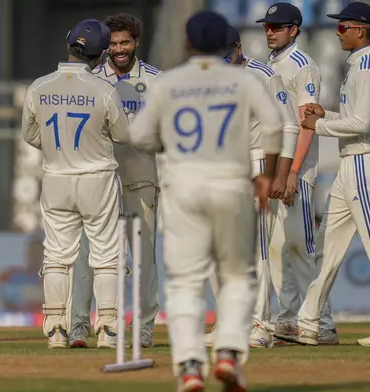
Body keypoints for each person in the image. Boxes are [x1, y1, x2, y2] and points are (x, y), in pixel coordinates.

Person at [130, 10, 284, 392]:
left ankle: (190, 366)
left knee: (185, 283)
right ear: (224, 46)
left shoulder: (169, 83)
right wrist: (267, 173)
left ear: (187, 44)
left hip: (183, 186)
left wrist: (169, 143)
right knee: (237, 276)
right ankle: (229, 351)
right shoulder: (242, 81)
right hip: (232, 184)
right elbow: (275, 124)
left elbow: (139, 135)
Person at [298, 2, 370, 347]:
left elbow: (362, 125)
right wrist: (329, 114)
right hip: (353, 162)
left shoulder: (366, 68)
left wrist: (318, 124)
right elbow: (357, 118)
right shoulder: (363, 66)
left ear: (361, 29)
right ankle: (310, 321)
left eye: (342, 27)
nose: (337, 32)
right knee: (326, 248)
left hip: (363, 163)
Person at [21, 19, 130, 349]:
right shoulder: (104, 89)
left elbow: (30, 134)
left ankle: (55, 328)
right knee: (107, 254)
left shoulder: (39, 87)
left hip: (56, 178)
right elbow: (124, 135)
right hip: (97, 179)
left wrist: (61, 150)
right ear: (100, 56)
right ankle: (108, 329)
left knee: (56, 255)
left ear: (69, 44)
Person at [205, 25, 299, 349]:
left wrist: (282, 173)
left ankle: (259, 324)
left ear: (238, 48)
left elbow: (289, 123)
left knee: (257, 249)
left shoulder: (262, 75)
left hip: (259, 164)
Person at [71, 12, 160, 349]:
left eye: (126, 42)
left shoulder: (155, 79)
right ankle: (80, 322)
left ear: (136, 42)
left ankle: (143, 326)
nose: (120, 49)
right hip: (98, 180)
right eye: (113, 43)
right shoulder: (91, 78)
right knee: (88, 254)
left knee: (143, 256)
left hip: (140, 179)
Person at [258, 2, 339, 345]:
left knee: (301, 248)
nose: (270, 31)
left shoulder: (303, 65)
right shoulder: (269, 66)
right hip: (275, 169)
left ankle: (322, 322)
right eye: (267, 26)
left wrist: (292, 171)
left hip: (297, 172)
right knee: (278, 251)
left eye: (277, 26)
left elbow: (308, 123)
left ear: (294, 30)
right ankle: (289, 320)